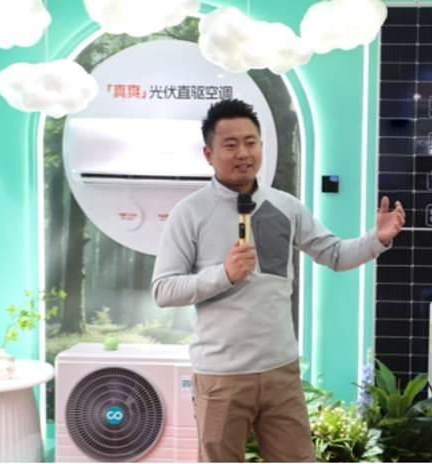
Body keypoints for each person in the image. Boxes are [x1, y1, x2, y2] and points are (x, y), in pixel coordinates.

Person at [151, 99, 405, 462]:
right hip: (221, 375)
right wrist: (224, 275)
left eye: (251, 142)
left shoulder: (286, 206)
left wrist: (376, 239)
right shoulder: (190, 213)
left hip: (280, 370)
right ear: (209, 154)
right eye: (230, 144)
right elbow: (164, 290)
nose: (243, 153)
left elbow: (334, 254)